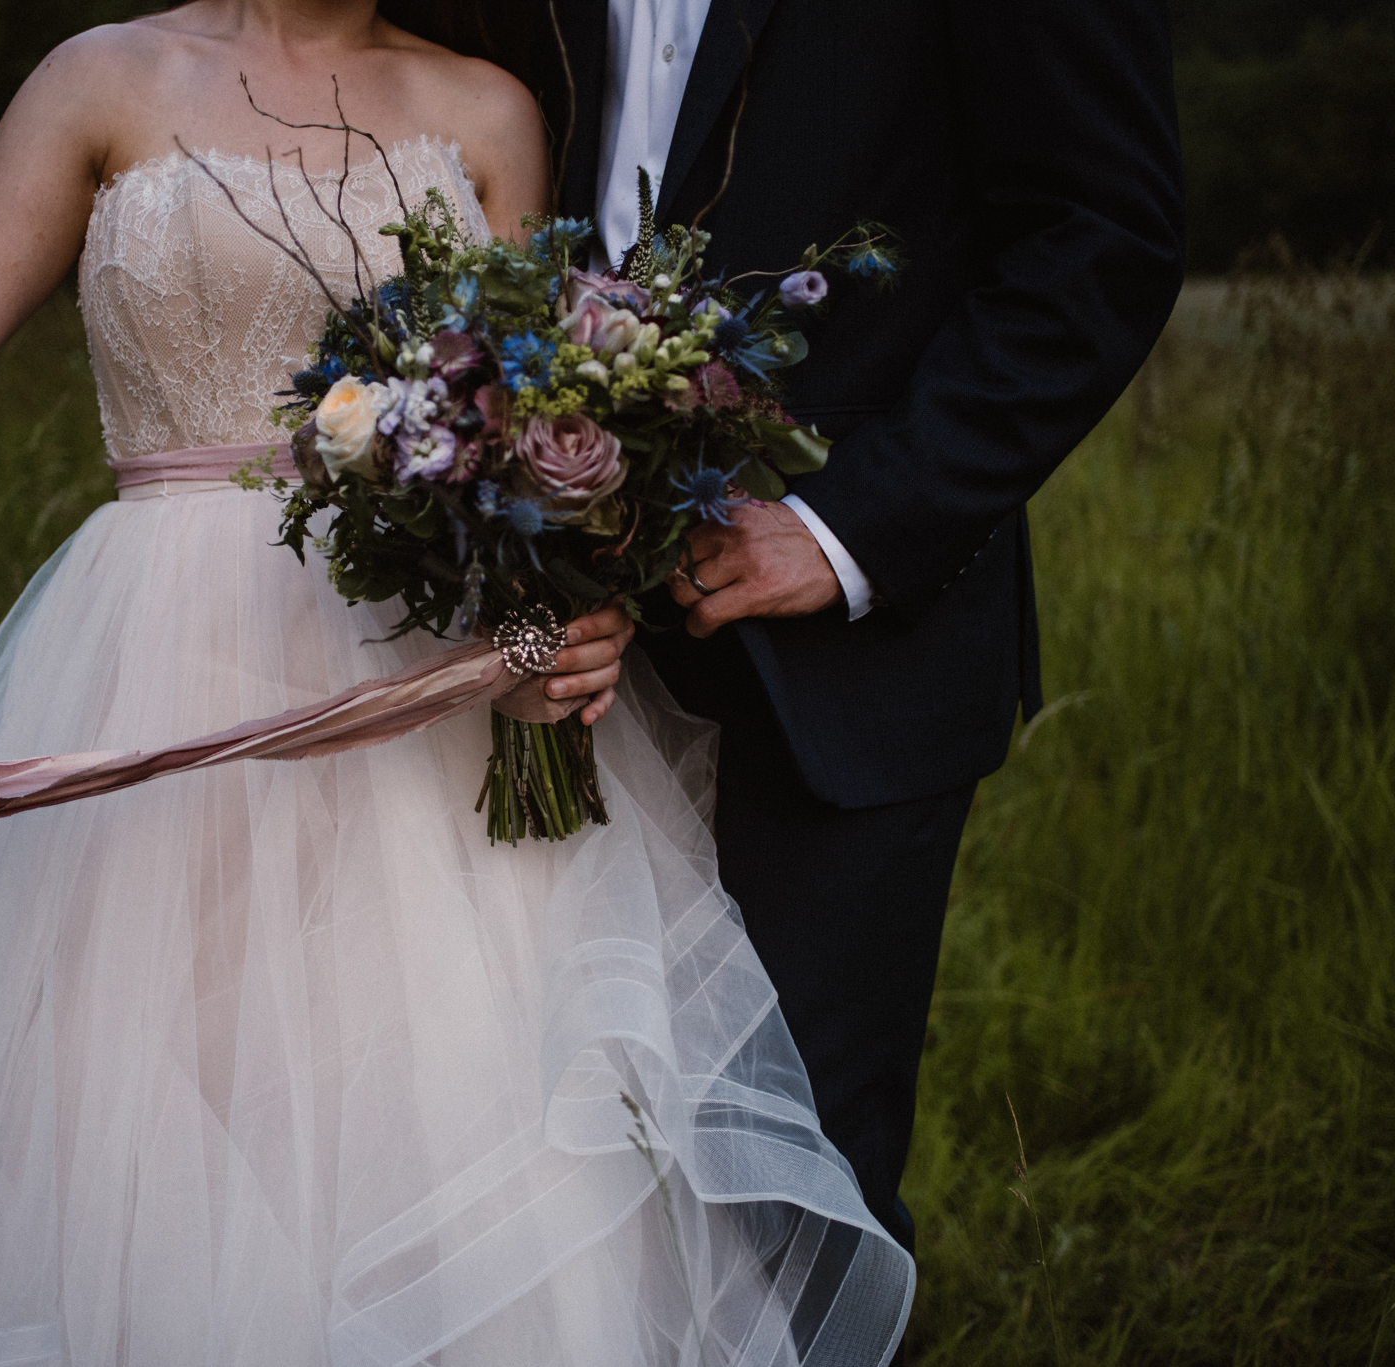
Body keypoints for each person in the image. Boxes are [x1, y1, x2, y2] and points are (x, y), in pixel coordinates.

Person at [0, 3, 917, 1364]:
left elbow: (533, 455)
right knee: (98, 1128)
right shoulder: (98, 80)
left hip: (407, 705)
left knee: (410, 1133)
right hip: (137, 675)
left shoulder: (487, 109)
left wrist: (546, 652)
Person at [532, 0, 1186, 1258]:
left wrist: (847, 527)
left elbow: (1101, 234)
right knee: (556, 1174)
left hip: (838, 661)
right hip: (560, 630)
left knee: (787, 1205)